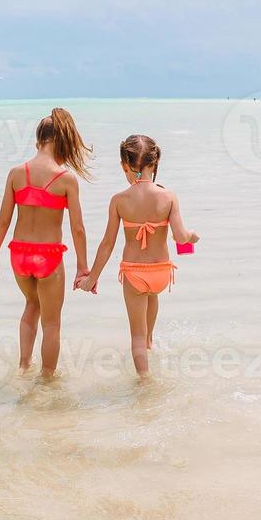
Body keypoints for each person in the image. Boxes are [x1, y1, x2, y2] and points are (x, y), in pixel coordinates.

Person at [0, 109, 91, 377]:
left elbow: (3, 220)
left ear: (38, 141)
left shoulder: (17, 174)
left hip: (19, 253)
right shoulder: (65, 179)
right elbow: (77, 228)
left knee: (32, 305)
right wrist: (82, 267)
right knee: (52, 323)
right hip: (48, 257)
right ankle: (47, 380)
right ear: (62, 142)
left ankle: (22, 367)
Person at [78, 135, 198, 376]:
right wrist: (193, 236)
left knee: (136, 336)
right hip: (161, 273)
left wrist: (91, 278)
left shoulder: (119, 200)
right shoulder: (168, 196)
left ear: (125, 165)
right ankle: (150, 343)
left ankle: (144, 382)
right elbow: (180, 236)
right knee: (151, 297)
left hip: (134, 274)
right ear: (153, 165)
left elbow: (107, 244)